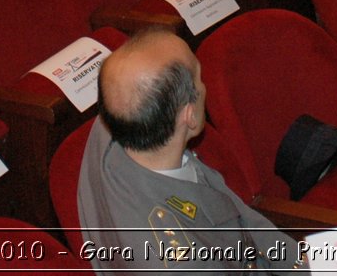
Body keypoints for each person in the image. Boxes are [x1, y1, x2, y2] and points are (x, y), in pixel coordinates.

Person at [77, 30, 307, 274]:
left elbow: (241, 217)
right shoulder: (182, 264)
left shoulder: (118, 119)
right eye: (199, 78)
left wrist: (304, 264)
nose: (204, 85)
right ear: (190, 117)